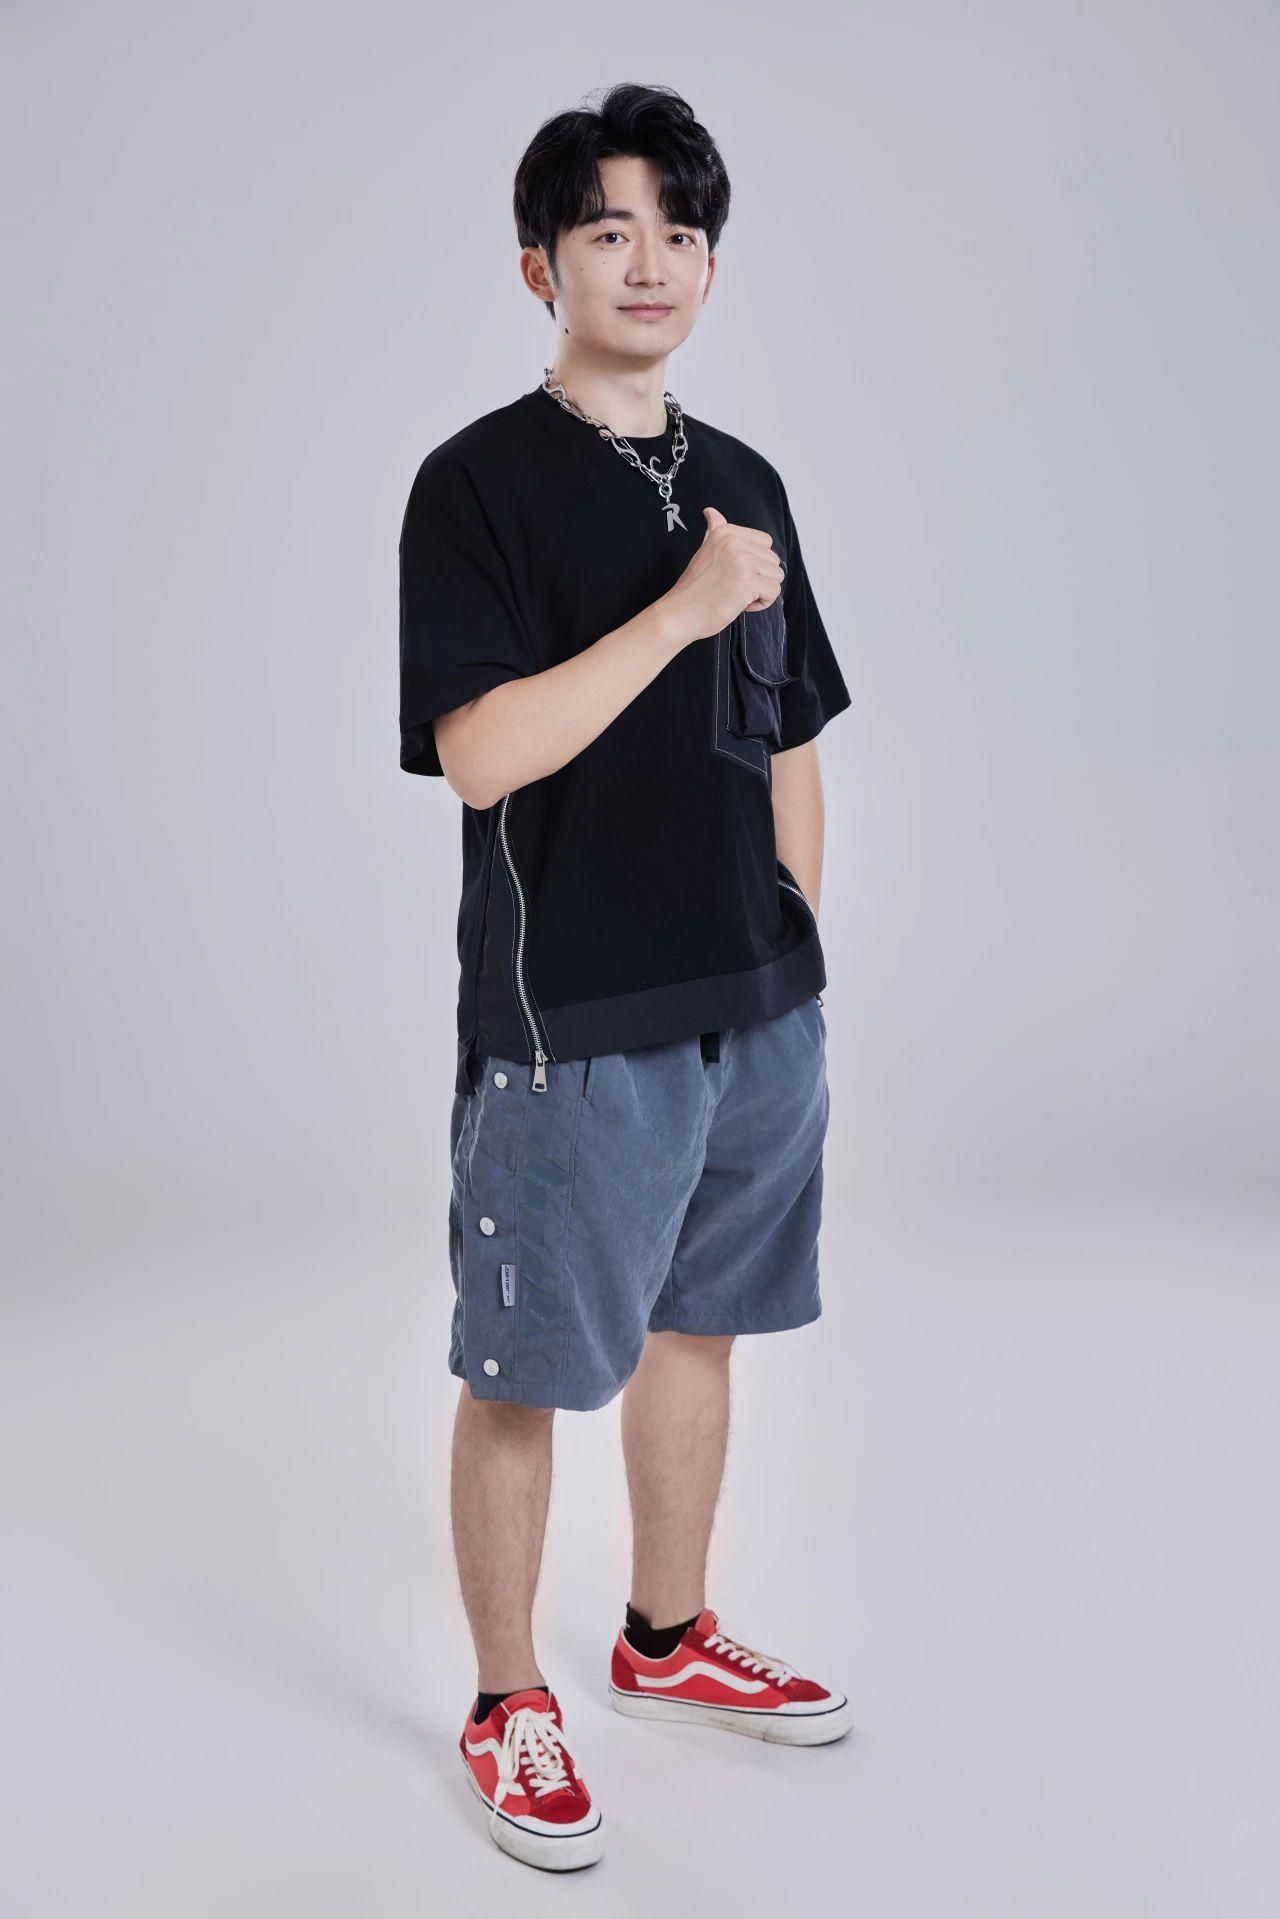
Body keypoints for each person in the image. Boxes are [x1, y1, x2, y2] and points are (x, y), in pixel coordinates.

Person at [398, 82, 854, 1873]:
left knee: (702, 1328)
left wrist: (793, 944)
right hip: (569, 1025)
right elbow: (485, 755)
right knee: (523, 1368)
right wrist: (677, 609)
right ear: (543, 267)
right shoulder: (478, 484)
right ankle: (507, 1699)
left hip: (757, 1014)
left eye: (680, 231)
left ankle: (666, 1638)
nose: (650, 261)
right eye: (610, 230)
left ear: (710, 264)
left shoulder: (748, 483)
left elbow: (791, 736)